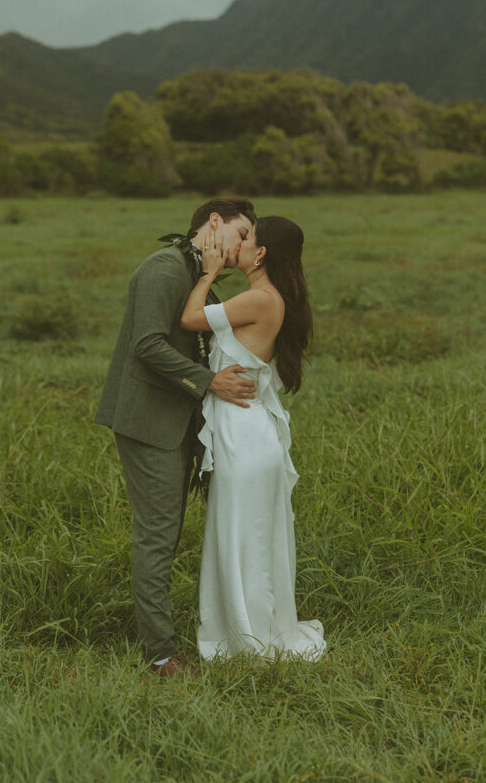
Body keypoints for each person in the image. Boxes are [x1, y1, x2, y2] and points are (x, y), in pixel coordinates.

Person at [94, 198, 256, 678]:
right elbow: (147, 345)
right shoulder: (165, 269)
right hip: (150, 423)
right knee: (158, 535)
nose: (245, 245)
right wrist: (209, 382)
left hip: (179, 420)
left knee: (170, 533)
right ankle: (160, 655)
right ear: (213, 223)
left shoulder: (196, 271)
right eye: (241, 233)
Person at [180, 215, 326, 661]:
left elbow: (190, 319)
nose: (238, 244)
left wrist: (206, 273)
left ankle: (248, 640)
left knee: (243, 537)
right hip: (243, 429)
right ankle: (243, 630)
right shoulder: (265, 297)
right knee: (243, 535)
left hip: (244, 435)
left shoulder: (260, 299)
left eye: (246, 238)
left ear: (260, 254)